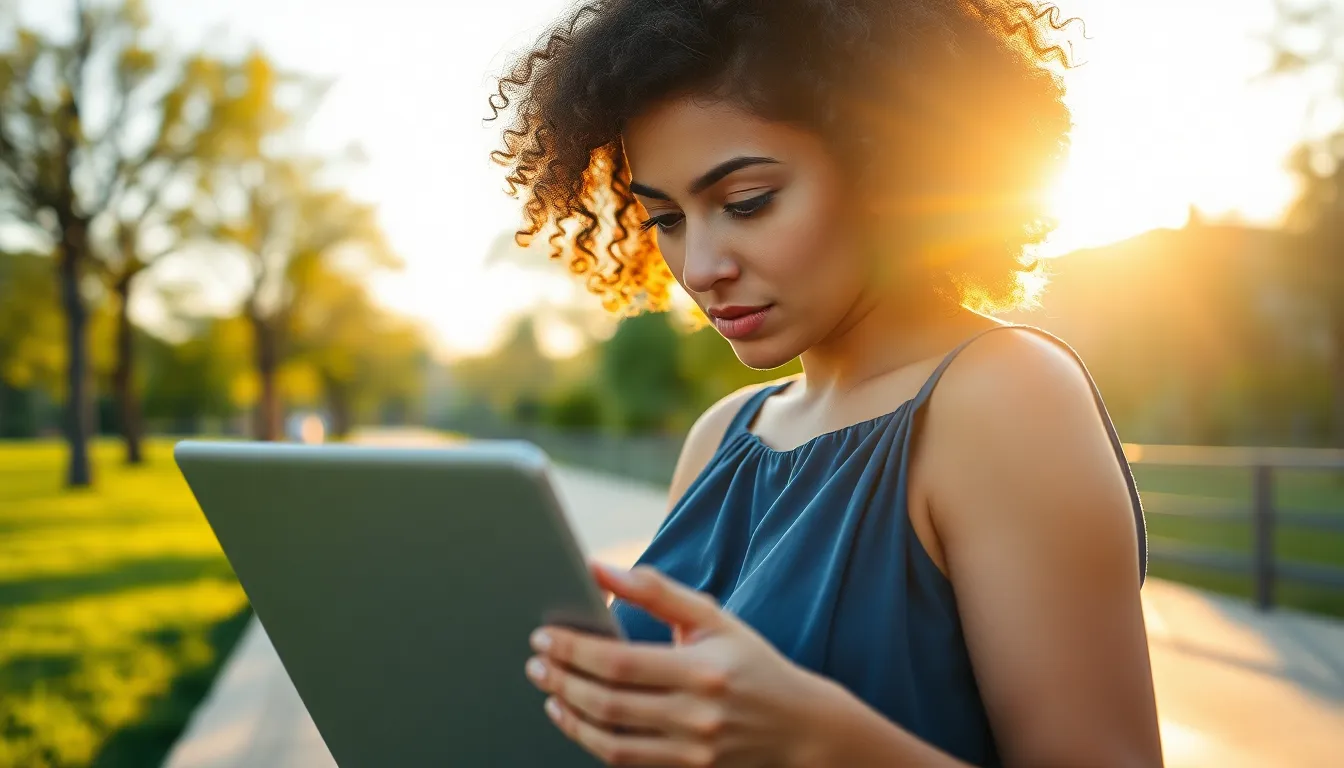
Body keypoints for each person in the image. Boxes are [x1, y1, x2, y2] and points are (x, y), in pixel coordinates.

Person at [490, 1, 1162, 765]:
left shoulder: (1002, 398)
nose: (702, 267)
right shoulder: (724, 434)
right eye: (666, 220)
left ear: (889, 168)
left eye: (747, 203)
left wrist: (818, 741)